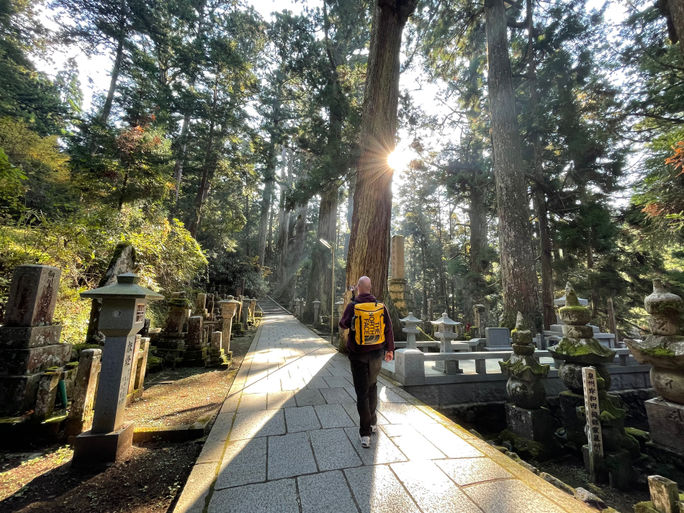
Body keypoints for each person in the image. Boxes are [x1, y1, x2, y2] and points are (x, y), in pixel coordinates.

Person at [339, 276, 394, 448]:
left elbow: (343, 324)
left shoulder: (353, 306)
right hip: (376, 354)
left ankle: (365, 434)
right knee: (372, 387)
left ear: (359, 288)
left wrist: (351, 301)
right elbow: (389, 328)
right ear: (370, 288)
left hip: (358, 355)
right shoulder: (380, 306)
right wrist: (390, 349)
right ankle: (373, 422)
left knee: (361, 393)